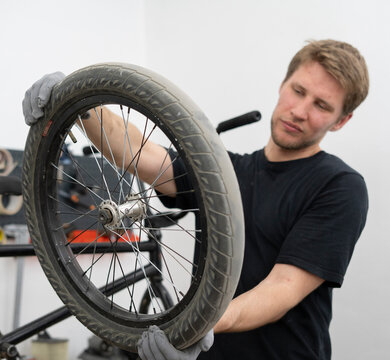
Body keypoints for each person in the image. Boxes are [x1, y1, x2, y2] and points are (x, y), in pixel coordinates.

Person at [23, 39, 369, 360]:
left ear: (342, 120)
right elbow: (138, 151)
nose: (300, 110)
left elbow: (283, 288)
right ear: (283, 86)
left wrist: (199, 327)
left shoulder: (339, 186)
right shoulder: (223, 174)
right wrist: (74, 103)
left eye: (322, 105)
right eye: (298, 91)